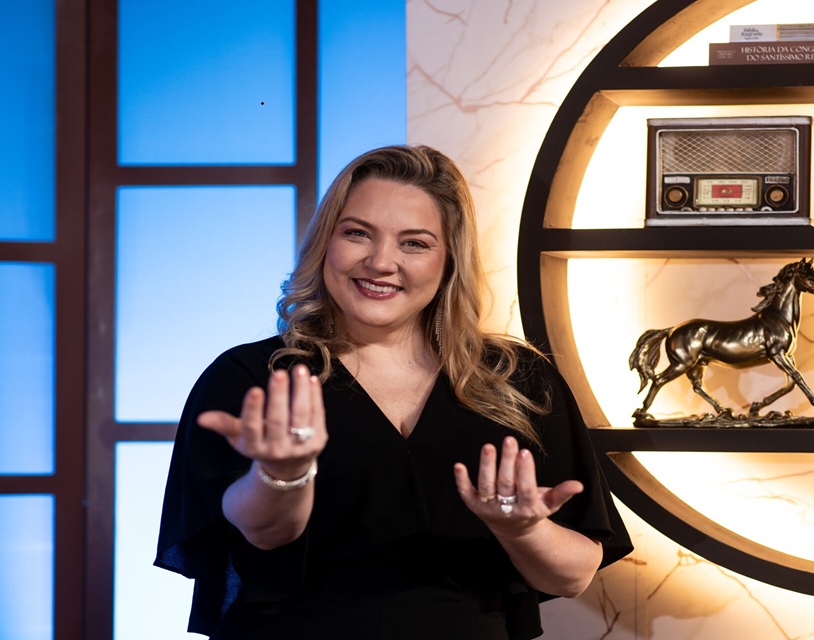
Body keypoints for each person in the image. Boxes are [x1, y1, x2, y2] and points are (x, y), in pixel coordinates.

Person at [154, 144, 633, 639]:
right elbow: (265, 532)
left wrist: (524, 530)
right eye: (357, 233)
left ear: (449, 260)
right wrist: (283, 474)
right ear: (325, 243)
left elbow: (573, 576)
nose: (381, 262)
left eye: (415, 243)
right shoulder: (252, 378)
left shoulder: (517, 380)